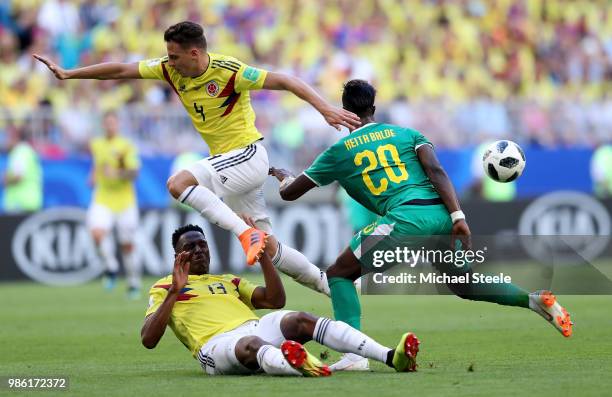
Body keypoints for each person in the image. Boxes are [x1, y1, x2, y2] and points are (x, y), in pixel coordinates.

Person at [33, 20, 360, 295]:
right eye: (168, 56)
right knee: (272, 250)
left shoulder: (230, 71)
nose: (169, 62)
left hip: (247, 155)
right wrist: (69, 74)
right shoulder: (169, 69)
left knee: (178, 183)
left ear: (194, 53)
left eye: (175, 56)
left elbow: (286, 80)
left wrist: (326, 109)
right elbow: (120, 69)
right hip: (230, 167)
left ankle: (245, 233)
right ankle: (336, 286)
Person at [271, 79, 573, 370]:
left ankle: (354, 356)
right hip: (441, 215)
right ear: (374, 107)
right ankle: (534, 300)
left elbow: (290, 193)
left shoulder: (338, 152)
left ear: (345, 110)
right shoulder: (408, 134)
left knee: (339, 274)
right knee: (464, 283)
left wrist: (285, 176)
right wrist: (458, 217)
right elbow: (435, 170)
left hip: (404, 220)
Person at [140, 223, 420, 376]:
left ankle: (391, 357)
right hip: (215, 345)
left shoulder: (228, 281)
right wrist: (175, 292)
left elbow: (275, 300)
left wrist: (263, 258)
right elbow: (148, 340)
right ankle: (300, 365)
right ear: (178, 256)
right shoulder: (164, 286)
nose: (199, 250)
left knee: (299, 319)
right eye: (190, 247)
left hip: (253, 327)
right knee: (252, 344)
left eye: (203, 244)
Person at [88, 111, 142, 299]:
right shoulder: (97, 144)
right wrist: (93, 175)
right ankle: (111, 265)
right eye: (107, 123)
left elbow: (134, 173)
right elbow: (99, 164)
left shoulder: (126, 146)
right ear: (103, 125)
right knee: (96, 232)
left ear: (118, 125)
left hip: (125, 200)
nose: (109, 126)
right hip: (103, 197)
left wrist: (117, 174)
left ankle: (133, 283)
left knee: (127, 245)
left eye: (113, 123)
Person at [1, 126, 43, 213]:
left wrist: (5, 180)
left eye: (7, 137)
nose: (5, 141)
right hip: (29, 202)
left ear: (15, 137)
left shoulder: (19, 152)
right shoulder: (27, 150)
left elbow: (18, 176)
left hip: (20, 205)